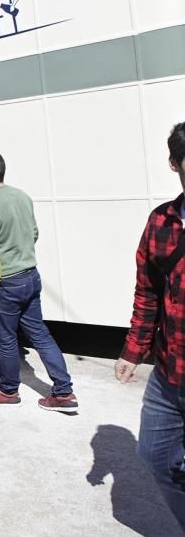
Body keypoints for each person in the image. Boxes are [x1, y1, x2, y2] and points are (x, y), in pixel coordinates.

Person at [0, 150, 77, 410]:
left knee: (5, 340)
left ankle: (7, 391)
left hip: (6, 282)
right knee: (40, 334)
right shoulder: (22, 196)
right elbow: (34, 232)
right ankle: (64, 393)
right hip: (30, 276)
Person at [116, 122, 185, 529]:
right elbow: (148, 294)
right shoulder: (161, 222)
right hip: (169, 374)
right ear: (174, 164)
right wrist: (133, 350)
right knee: (154, 456)